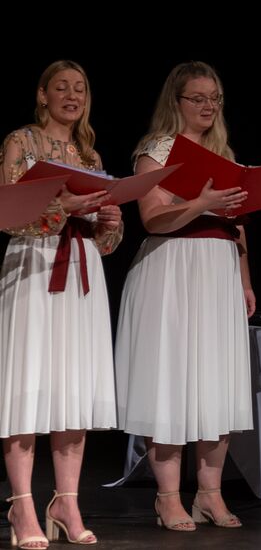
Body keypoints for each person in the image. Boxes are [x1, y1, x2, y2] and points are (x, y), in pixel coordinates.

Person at [115, 61, 255, 532]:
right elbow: (152, 218)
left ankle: (210, 495)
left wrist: (245, 280)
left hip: (217, 270)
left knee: (215, 382)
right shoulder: (157, 151)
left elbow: (237, 226)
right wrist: (201, 204)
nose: (208, 106)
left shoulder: (224, 154)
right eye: (198, 98)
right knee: (170, 381)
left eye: (214, 98)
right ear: (175, 102)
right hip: (172, 268)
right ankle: (168, 498)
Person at [0, 60, 123, 548]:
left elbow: (106, 241)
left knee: (73, 387)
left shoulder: (89, 155)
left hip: (81, 270)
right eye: (62, 88)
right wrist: (63, 206)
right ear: (42, 94)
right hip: (33, 266)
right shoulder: (21, 142)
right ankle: (22, 506)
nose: (72, 96)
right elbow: (8, 214)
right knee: (28, 383)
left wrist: (109, 221)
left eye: (80, 89)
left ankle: (66, 502)